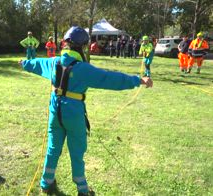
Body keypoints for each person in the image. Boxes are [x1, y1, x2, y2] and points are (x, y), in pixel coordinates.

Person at [18, 26, 153, 196]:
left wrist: (24, 63)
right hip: (73, 115)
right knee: (77, 151)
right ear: (82, 47)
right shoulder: (83, 68)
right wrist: (138, 80)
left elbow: (36, 64)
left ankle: (46, 182)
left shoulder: (53, 62)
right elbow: (110, 79)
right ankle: (82, 189)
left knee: (53, 148)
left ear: (65, 44)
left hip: (55, 112)